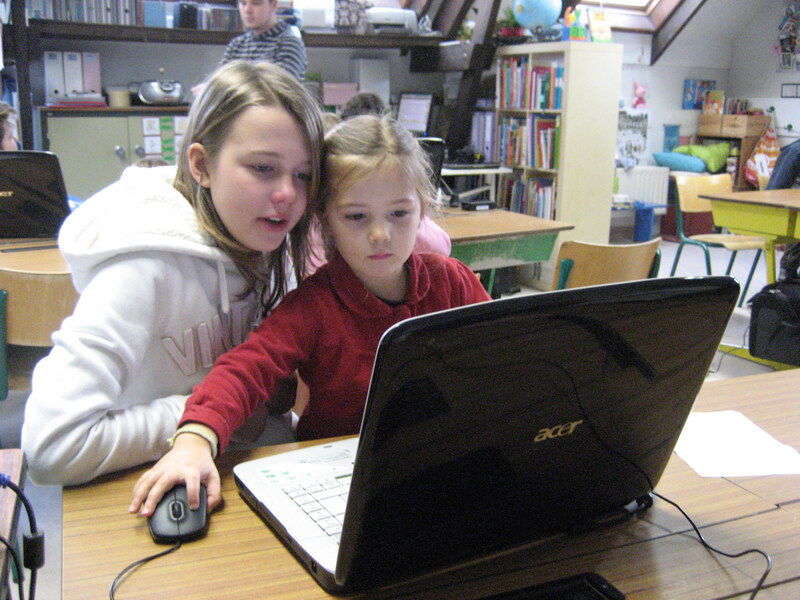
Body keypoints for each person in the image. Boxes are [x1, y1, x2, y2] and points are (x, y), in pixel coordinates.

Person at [129, 114, 492, 515]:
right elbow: (244, 370)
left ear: (422, 207)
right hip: (341, 481)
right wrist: (194, 440)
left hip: (440, 462)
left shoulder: (452, 281)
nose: (380, 234)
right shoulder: (314, 307)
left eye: (399, 213)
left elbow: (507, 353)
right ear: (325, 221)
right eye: (356, 216)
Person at [20, 60, 325, 486]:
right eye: (262, 168)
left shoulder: (269, 248)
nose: (288, 194)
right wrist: (208, 415)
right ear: (201, 165)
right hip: (145, 488)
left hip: (247, 475)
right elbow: (52, 445)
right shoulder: (143, 266)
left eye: (304, 174)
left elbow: (273, 401)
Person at [221, 0, 306, 81]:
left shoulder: (289, 43)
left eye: (256, 3)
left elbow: (280, 88)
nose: (247, 10)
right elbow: (220, 84)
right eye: (243, 3)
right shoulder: (236, 45)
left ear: (273, 5)